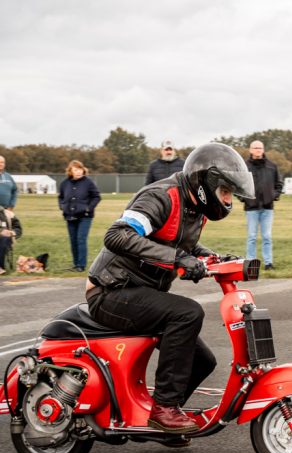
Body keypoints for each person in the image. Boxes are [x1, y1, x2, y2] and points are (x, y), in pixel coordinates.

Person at [85, 143, 254, 433]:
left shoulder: (194, 206)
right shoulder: (162, 196)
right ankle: (164, 410)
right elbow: (117, 235)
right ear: (206, 183)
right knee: (187, 312)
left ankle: (163, 423)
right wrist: (178, 258)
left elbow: (177, 241)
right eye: (225, 191)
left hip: (139, 293)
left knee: (203, 362)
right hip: (111, 291)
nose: (228, 200)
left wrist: (212, 258)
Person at [243, 140, 282, 270]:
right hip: (251, 208)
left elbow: (279, 184)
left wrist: (273, 196)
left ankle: (268, 263)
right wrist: (245, 199)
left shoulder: (272, 166)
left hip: (267, 208)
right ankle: (250, 263)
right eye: (255, 148)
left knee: (267, 237)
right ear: (250, 150)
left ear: (263, 150)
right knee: (252, 237)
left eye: (260, 147)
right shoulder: (244, 166)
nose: (258, 150)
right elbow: (238, 185)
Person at [57, 160, 102, 272]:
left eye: (80, 169)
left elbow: (97, 196)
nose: (78, 172)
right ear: (70, 171)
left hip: (85, 216)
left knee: (81, 239)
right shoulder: (65, 183)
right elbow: (61, 197)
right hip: (70, 216)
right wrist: (62, 206)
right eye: (75, 170)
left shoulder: (88, 183)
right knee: (73, 240)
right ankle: (76, 264)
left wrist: (88, 208)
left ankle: (81, 265)